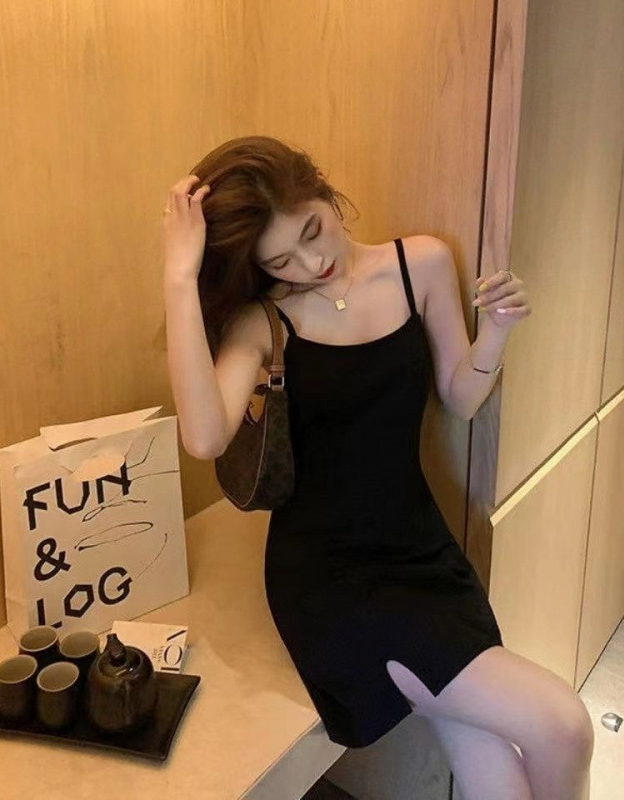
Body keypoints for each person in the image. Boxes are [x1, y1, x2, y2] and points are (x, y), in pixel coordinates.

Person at [162, 135, 593, 800]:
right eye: (281, 261)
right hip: (329, 579)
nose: (312, 263)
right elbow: (203, 437)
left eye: (313, 231)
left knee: (503, 785)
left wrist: (497, 333)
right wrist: (178, 279)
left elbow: (460, 397)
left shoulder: (421, 263)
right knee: (564, 726)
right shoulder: (264, 322)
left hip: (421, 549)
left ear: (325, 192)